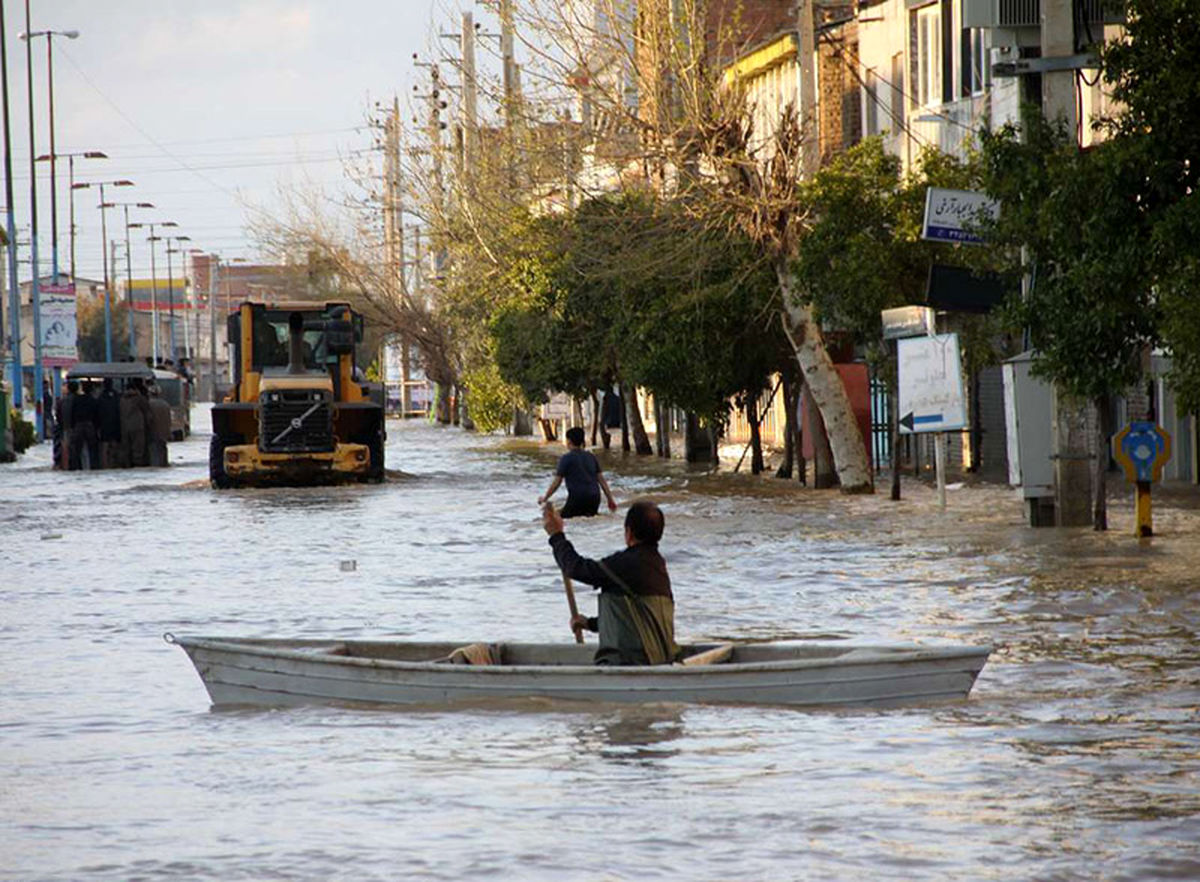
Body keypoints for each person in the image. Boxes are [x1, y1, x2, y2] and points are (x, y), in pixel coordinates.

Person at [543, 499, 677, 666]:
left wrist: (556, 536)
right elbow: (636, 620)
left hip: (630, 661)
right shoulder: (658, 566)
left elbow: (575, 568)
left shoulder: (627, 563)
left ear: (629, 532)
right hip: (659, 659)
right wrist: (589, 623)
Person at [537, 426, 617, 518]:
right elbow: (602, 481)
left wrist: (545, 498)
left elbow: (557, 482)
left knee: (554, 518)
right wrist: (610, 499)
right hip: (594, 498)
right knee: (588, 518)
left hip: (577, 498)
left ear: (569, 441)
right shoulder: (591, 457)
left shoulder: (566, 458)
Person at [120, 378, 152, 467]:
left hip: (124, 427)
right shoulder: (139, 398)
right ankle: (137, 464)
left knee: (126, 448)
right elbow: (147, 412)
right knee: (138, 448)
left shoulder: (122, 399)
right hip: (138, 426)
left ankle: (127, 465)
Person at [97, 379, 123, 468]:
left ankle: (105, 465)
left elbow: (98, 412)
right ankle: (115, 464)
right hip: (115, 424)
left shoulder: (101, 397)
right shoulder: (117, 396)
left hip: (104, 425)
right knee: (114, 446)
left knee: (105, 446)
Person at [147, 384, 172, 467]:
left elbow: (148, 419)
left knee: (154, 451)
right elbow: (169, 420)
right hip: (164, 432)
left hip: (153, 431)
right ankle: (164, 463)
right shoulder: (165, 404)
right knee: (163, 449)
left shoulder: (149, 404)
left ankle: (156, 465)